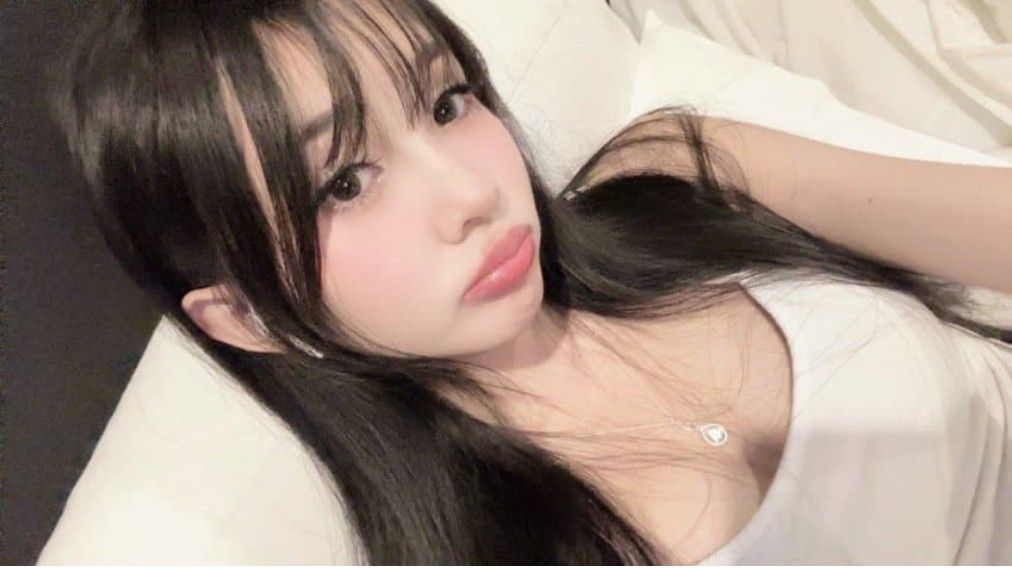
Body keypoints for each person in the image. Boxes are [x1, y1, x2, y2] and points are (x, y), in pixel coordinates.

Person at [48, 0, 1012, 564]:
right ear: (248, 318)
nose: (474, 192)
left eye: (446, 102)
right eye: (344, 182)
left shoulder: (674, 170)